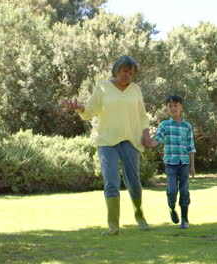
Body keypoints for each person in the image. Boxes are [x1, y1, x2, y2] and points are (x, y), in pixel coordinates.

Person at [62, 56, 151, 235]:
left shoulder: (136, 90)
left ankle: (140, 217)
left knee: (133, 182)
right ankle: (113, 226)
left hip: (131, 140)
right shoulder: (102, 87)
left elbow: (142, 115)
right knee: (111, 181)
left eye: (131, 73)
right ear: (117, 70)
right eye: (125, 71)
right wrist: (79, 107)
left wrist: (146, 135)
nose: (128, 75)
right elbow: (90, 111)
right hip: (107, 142)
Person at [146, 94, 196, 229]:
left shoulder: (187, 126)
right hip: (171, 164)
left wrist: (192, 165)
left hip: (184, 163)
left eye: (176, 105)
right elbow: (159, 138)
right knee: (172, 190)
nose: (173, 108)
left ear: (181, 107)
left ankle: (185, 219)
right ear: (167, 109)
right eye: (170, 106)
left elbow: (191, 147)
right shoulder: (165, 125)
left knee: (184, 190)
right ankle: (171, 207)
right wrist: (150, 143)